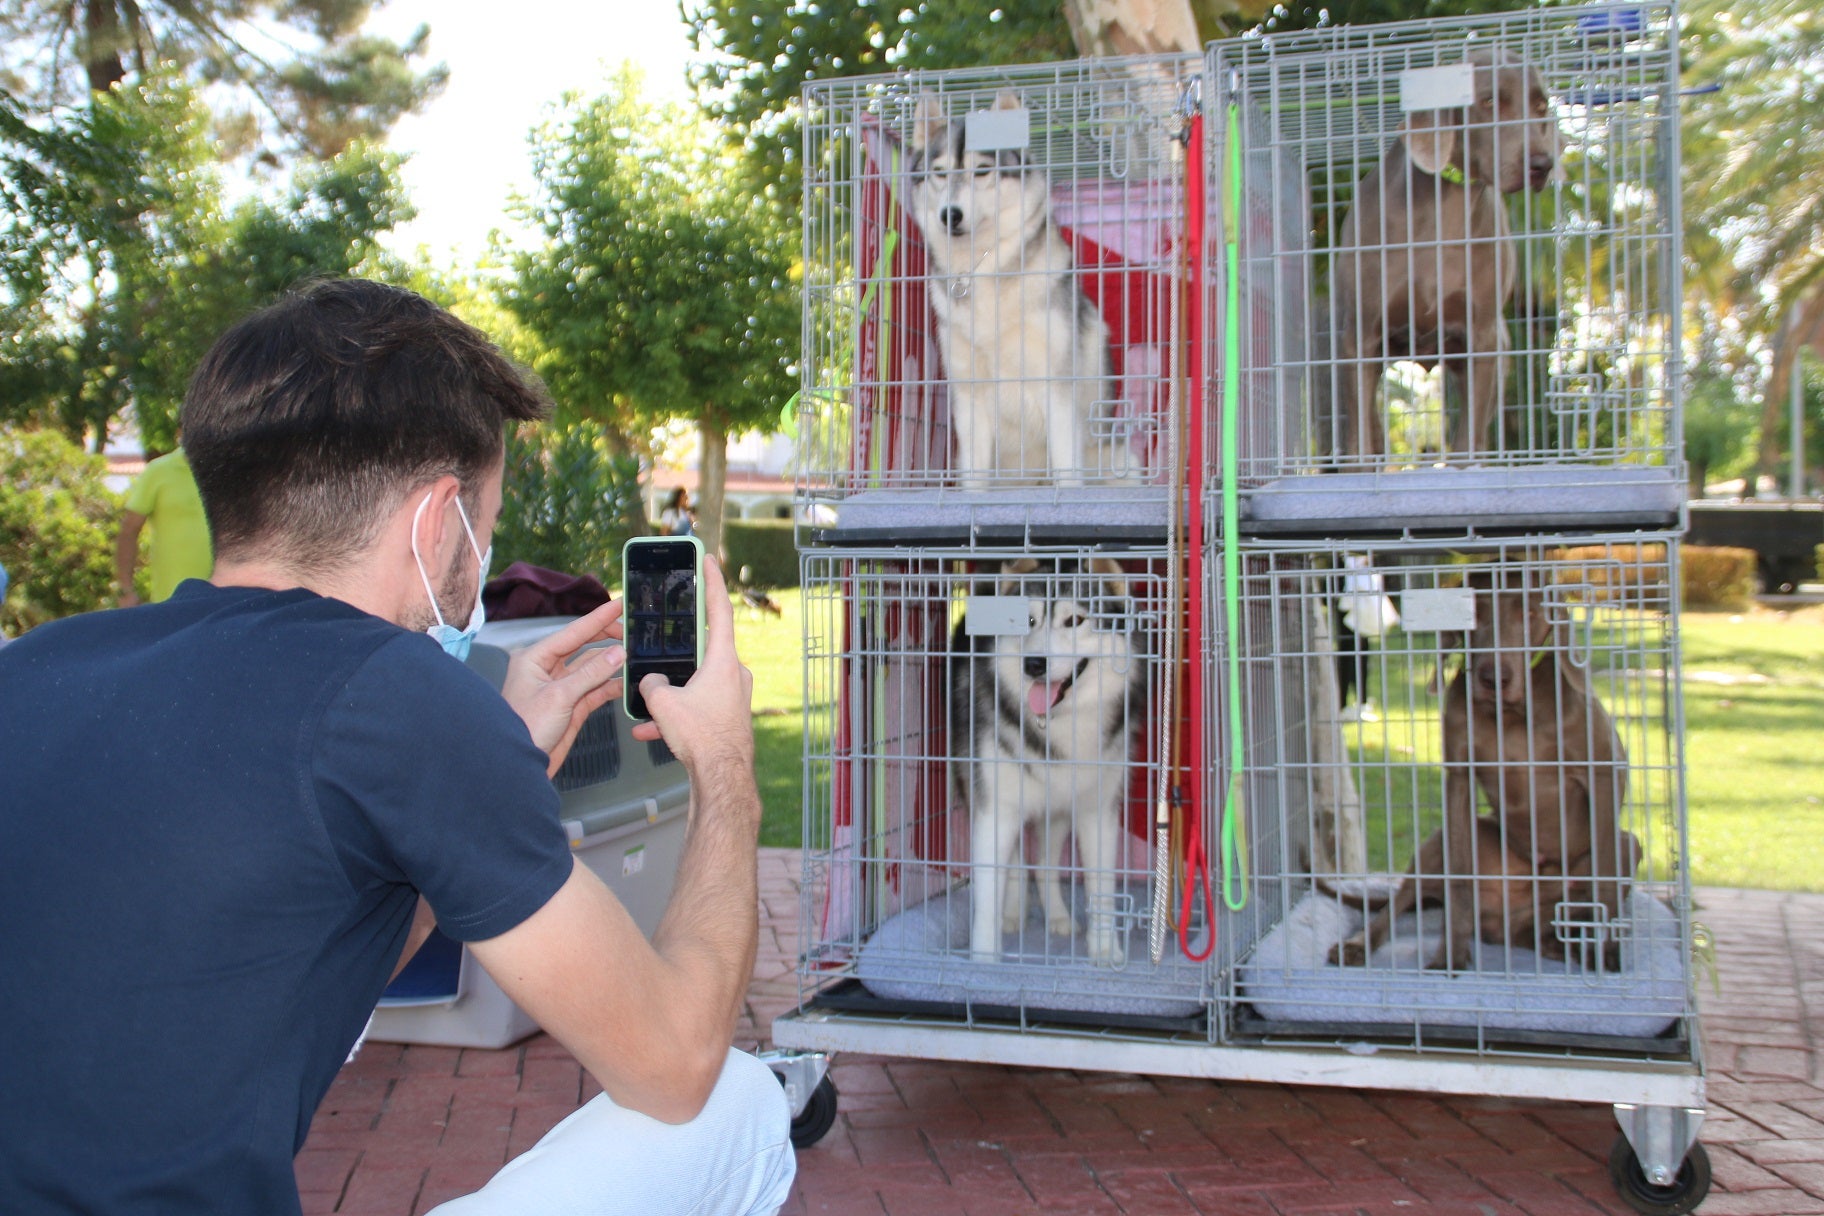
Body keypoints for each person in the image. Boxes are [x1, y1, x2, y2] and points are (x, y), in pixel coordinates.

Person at [0, 280, 794, 1216]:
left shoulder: (36, 665)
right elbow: (674, 1066)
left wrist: (500, 759)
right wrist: (727, 770)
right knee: (733, 1102)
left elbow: (286, 965)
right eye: (486, 522)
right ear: (436, 518)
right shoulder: (393, 692)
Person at [116, 433, 214, 605]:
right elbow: (129, 531)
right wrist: (126, 590)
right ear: (179, 432)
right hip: (171, 600)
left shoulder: (229, 472)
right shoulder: (159, 471)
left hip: (224, 599)